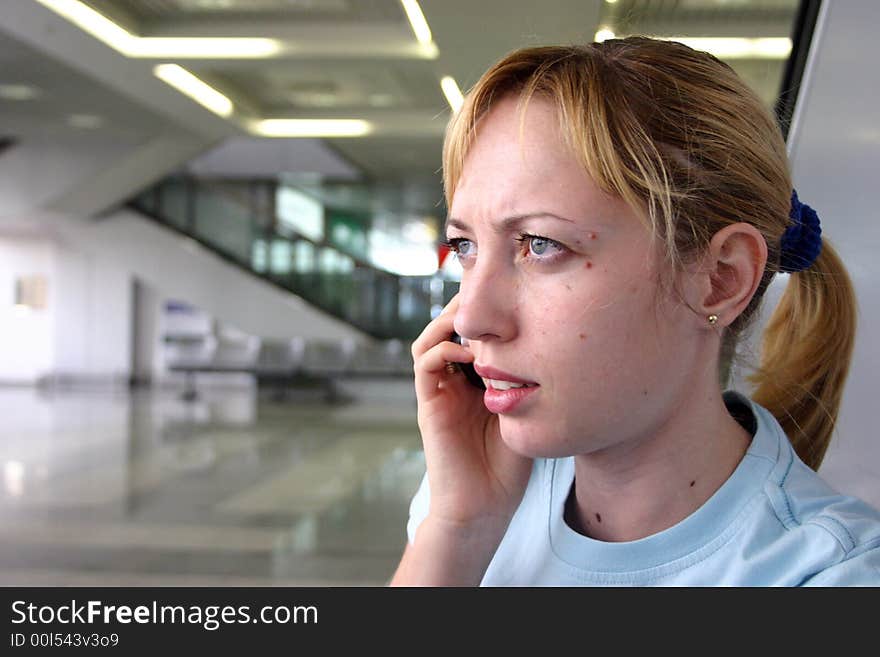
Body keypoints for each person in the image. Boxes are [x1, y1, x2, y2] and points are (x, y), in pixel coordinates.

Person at [389, 36, 880, 586]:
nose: (470, 318)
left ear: (720, 279)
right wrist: (459, 529)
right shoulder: (467, 494)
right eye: (465, 247)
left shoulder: (835, 576)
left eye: (541, 244)